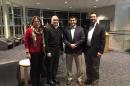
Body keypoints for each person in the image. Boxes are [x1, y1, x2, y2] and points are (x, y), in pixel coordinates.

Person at [84, 12, 106, 86]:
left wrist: (100, 51)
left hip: (96, 51)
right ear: (89, 18)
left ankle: (95, 81)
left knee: (95, 67)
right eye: (91, 17)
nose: (92, 18)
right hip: (87, 50)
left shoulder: (101, 27)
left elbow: (103, 40)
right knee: (88, 66)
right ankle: (89, 79)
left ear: (96, 18)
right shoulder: (87, 27)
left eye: (94, 17)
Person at [63, 16, 85, 86]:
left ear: (76, 21)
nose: (72, 22)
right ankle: (69, 78)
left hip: (78, 50)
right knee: (68, 66)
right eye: (71, 20)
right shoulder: (66, 29)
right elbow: (64, 39)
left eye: (73, 20)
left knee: (79, 66)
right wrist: (70, 45)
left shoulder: (80, 29)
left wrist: (75, 44)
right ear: (69, 21)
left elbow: (83, 38)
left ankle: (79, 79)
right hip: (69, 50)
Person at [24, 16, 45, 86]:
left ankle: (38, 81)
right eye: (35, 21)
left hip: (41, 52)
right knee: (34, 68)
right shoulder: (29, 30)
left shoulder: (41, 30)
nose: (37, 23)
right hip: (33, 53)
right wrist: (27, 52)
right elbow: (25, 41)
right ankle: (34, 83)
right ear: (32, 22)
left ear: (40, 22)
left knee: (39, 67)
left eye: (38, 21)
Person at [45, 15, 63, 86]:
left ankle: (54, 78)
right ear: (51, 21)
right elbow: (46, 41)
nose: (55, 21)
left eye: (56, 20)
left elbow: (60, 40)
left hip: (57, 50)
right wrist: (48, 51)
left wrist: (61, 49)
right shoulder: (47, 28)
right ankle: (49, 79)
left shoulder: (59, 29)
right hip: (50, 50)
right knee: (50, 66)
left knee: (55, 65)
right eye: (54, 20)